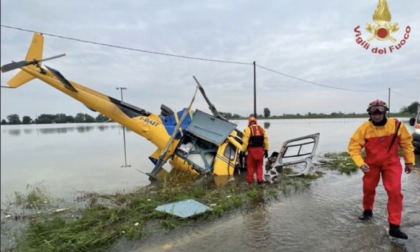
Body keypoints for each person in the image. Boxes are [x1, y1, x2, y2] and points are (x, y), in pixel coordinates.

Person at [348, 99, 415, 239]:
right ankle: (367, 211)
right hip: (371, 165)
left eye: (380, 111)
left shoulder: (396, 125)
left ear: (385, 112)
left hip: (392, 164)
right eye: (373, 112)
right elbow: (353, 147)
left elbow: (407, 144)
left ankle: (394, 226)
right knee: (368, 189)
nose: (377, 114)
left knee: (395, 193)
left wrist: (409, 161)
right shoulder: (364, 128)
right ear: (370, 113)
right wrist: (360, 163)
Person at [241, 116, 270, 184]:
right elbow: (266, 140)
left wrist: (243, 150)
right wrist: (266, 150)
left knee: (250, 166)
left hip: (251, 150)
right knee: (259, 166)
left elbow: (245, 141)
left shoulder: (247, 129)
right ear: (256, 122)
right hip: (260, 150)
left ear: (249, 122)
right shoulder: (262, 129)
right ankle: (260, 180)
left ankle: (250, 181)